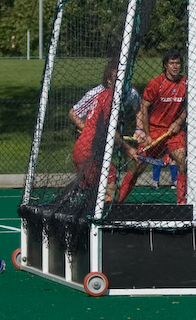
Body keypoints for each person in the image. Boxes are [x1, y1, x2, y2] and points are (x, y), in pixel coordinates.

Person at [117, 50, 188, 205]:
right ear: (165, 66)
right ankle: (119, 200)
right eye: (172, 63)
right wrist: (147, 134)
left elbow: (187, 108)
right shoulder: (156, 83)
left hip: (174, 132)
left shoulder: (185, 83)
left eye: (178, 63)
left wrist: (179, 122)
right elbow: (143, 107)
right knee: (139, 165)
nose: (175, 66)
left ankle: (182, 203)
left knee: (182, 161)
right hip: (155, 129)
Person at [70, 60, 138, 201]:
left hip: (85, 151)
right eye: (116, 79)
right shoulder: (108, 97)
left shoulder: (107, 96)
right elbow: (110, 130)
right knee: (111, 193)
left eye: (123, 78)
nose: (121, 82)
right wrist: (128, 149)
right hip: (89, 153)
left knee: (91, 195)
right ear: (108, 81)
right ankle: (101, 222)